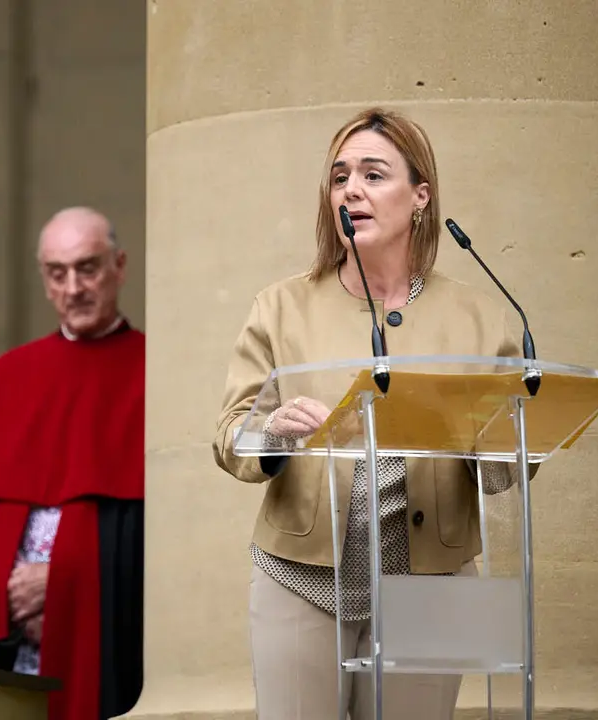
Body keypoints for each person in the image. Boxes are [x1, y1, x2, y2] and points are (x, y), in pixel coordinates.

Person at [212, 108, 532, 720]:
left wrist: (484, 444)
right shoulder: (281, 307)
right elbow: (231, 436)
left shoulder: (483, 319)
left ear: (420, 196)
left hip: (435, 581)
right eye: (339, 177)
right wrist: (272, 433)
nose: (351, 189)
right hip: (301, 575)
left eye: (372, 174)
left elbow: (510, 456)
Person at [0, 207, 144, 720]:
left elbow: (167, 543)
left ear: (120, 266)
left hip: (107, 639)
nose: (73, 287)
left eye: (88, 268)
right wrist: (5, 595)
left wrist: (68, 584)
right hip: (11, 635)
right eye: (57, 272)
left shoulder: (155, 374)